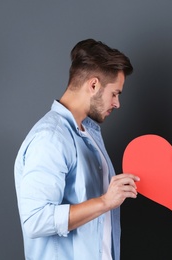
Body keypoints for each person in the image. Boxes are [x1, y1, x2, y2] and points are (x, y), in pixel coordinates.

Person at [14, 38, 140, 260]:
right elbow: (35, 220)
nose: (117, 103)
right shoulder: (51, 138)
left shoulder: (89, 133)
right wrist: (105, 201)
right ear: (93, 85)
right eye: (115, 93)